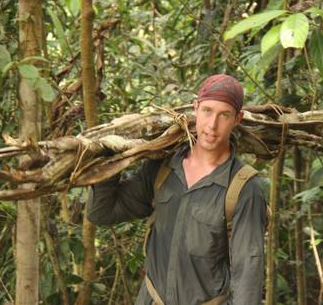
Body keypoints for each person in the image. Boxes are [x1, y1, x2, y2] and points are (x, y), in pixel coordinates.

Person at [87, 74, 268, 305]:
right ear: (195, 109)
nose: (212, 125)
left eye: (224, 115)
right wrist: (108, 158)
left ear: (238, 119)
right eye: (207, 111)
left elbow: (247, 274)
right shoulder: (163, 167)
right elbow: (102, 213)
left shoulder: (244, 189)